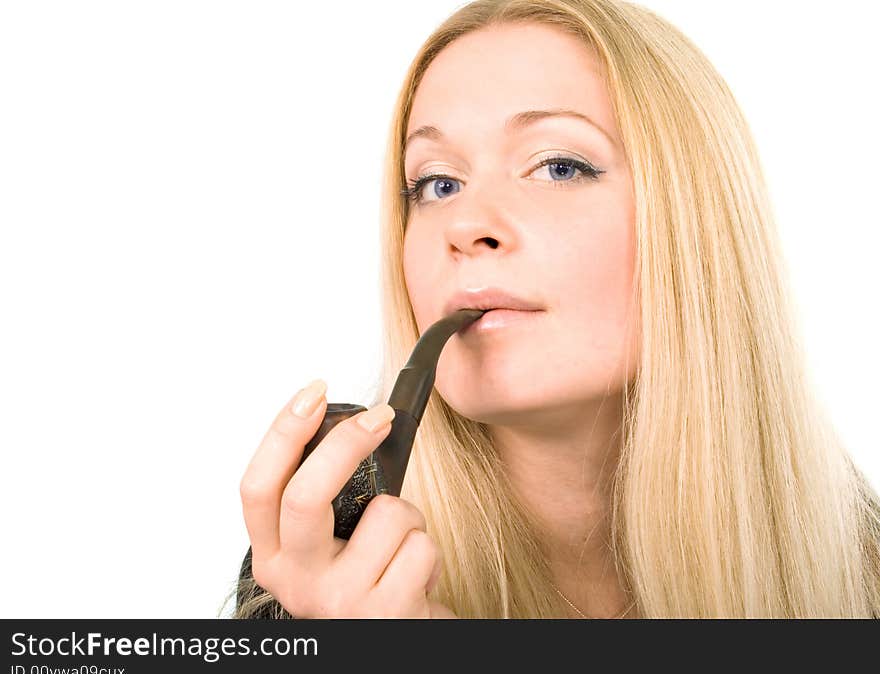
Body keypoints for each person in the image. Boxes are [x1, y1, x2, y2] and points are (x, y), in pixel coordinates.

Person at [225, 0, 880, 619]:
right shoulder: (319, 573)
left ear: (695, 222)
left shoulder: (863, 573)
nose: (466, 224)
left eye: (559, 166)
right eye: (438, 184)